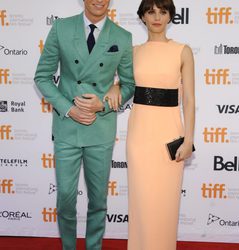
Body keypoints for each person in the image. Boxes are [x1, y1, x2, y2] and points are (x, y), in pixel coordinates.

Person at [34, 0, 135, 249]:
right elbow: (42, 77)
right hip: (67, 127)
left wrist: (103, 104)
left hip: (100, 129)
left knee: (98, 201)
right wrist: (69, 109)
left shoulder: (122, 36)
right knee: (66, 199)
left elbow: (129, 84)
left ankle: (93, 247)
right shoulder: (61, 28)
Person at [105, 0, 195, 249]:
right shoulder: (132, 52)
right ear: (142, 17)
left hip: (169, 135)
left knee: (165, 201)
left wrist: (188, 140)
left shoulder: (182, 50)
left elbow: (188, 99)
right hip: (139, 136)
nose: (157, 17)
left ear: (170, 17)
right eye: (151, 12)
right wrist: (115, 85)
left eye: (163, 12)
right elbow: (120, 83)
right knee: (141, 200)